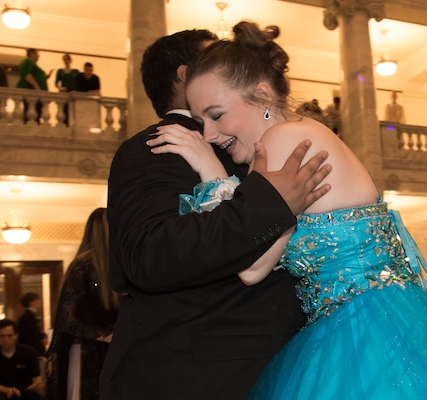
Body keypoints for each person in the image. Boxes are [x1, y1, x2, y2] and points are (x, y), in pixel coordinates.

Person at [149, 21, 427, 399]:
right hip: (385, 318)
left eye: (216, 115)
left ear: (262, 97)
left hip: (361, 330)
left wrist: (207, 167)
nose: (209, 135)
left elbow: (251, 267)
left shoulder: (283, 142)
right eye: (200, 123)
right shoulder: (304, 132)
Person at [99, 29, 332, 400]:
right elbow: (150, 253)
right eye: (220, 56)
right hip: (209, 374)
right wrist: (272, 204)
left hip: (293, 361)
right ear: (187, 74)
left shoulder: (272, 137)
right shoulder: (158, 146)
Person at [47, 208, 119, 400]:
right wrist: (105, 335)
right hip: (90, 352)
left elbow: (68, 318)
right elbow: (68, 319)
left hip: (103, 351)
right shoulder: (85, 267)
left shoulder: (110, 267)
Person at [0, 319, 44, 400]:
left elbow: (37, 380)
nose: (6, 340)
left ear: (16, 336)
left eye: (9, 336)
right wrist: (9, 390)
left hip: (26, 392)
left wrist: (23, 391)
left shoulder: (29, 352)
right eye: (2, 336)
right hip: (2, 393)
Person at [16, 48, 52, 124]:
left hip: (36, 95)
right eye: (37, 54)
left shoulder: (32, 64)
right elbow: (27, 75)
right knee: (32, 115)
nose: (38, 56)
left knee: (36, 115)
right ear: (31, 54)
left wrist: (45, 77)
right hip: (32, 94)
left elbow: (35, 76)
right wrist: (37, 87)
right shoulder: (27, 61)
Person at [17, 292, 46, 357]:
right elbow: (32, 335)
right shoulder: (29, 317)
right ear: (31, 302)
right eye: (37, 300)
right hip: (32, 349)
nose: (39, 302)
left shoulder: (29, 316)